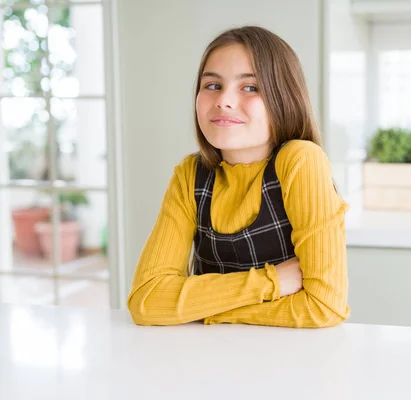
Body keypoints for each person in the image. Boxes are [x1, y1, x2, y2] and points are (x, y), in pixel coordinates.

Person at [127, 26, 350, 328]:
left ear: (283, 98)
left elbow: (323, 307)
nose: (224, 101)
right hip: (207, 362)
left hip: (292, 364)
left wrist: (203, 309)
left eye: (250, 87)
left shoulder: (300, 161)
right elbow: (147, 299)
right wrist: (273, 282)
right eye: (212, 86)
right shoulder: (190, 174)